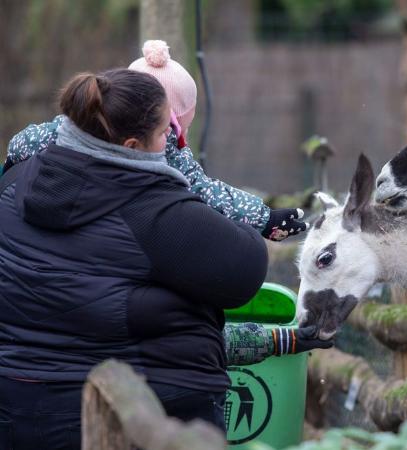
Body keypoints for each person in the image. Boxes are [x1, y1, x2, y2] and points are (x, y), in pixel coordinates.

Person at [0, 69, 317, 450]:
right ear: (133, 145)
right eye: (167, 132)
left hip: (15, 406)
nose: (175, 144)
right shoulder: (152, 211)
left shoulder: (14, 183)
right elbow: (246, 266)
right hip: (137, 411)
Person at [4, 40, 307, 242]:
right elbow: (206, 193)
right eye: (173, 128)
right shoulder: (163, 148)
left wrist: (11, 169)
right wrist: (264, 218)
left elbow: (23, 143)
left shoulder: (71, 126)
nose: (172, 136)